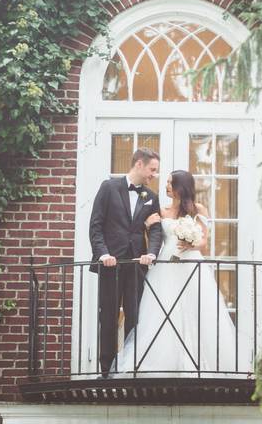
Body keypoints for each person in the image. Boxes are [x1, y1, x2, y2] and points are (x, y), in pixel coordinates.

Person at [111, 169, 254, 377]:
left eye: (170, 183)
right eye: (167, 182)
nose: (166, 186)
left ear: (182, 187)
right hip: (165, 266)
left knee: (196, 310)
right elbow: (154, 240)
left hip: (190, 264)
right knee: (163, 310)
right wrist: (148, 227)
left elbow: (204, 241)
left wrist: (192, 241)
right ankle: (161, 363)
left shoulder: (198, 209)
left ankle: (200, 363)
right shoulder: (162, 210)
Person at [88, 148, 163, 377]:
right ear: (139, 164)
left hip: (136, 266)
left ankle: (132, 367)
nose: (154, 175)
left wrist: (151, 253)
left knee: (135, 316)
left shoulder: (151, 197)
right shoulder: (109, 188)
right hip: (111, 264)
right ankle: (105, 371)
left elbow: (157, 230)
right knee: (108, 316)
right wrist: (103, 254)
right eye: (152, 169)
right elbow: (96, 225)